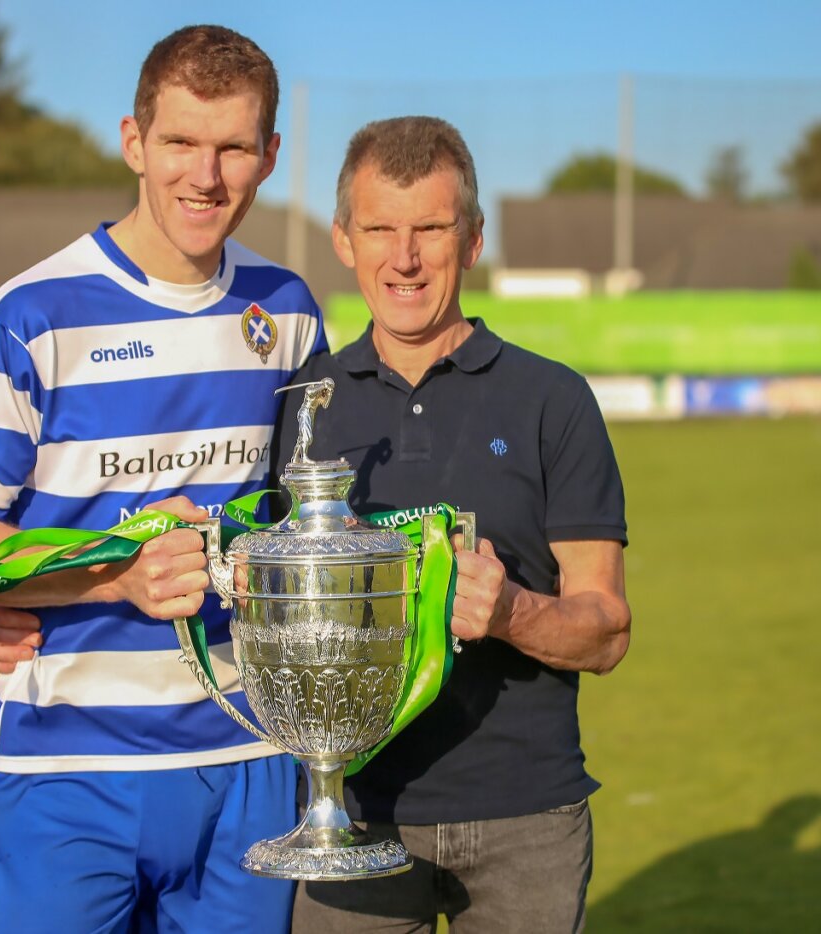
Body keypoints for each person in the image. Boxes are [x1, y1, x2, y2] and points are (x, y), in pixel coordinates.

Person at [0, 25, 326, 934]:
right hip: (66, 773)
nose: (206, 176)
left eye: (233, 148)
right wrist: (106, 576)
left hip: (253, 761)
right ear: (133, 141)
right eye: (181, 142)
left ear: (270, 156)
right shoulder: (25, 319)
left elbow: (304, 521)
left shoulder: (290, 311)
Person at [269, 116, 631, 932]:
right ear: (342, 238)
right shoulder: (299, 408)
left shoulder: (553, 400)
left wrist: (510, 613)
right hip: (349, 815)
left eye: (430, 229)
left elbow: (607, 630)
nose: (404, 258)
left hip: (525, 818)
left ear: (471, 241)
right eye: (380, 229)